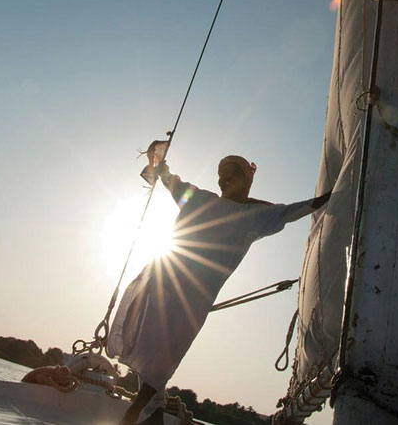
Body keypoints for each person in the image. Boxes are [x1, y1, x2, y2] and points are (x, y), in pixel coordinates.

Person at [107, 155, 331, 425]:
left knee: (166, 353)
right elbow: (172, 183)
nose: (223, 178)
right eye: (221, 174)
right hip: (162, 279)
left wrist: (335, 192)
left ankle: (139, 412)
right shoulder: (202, 199)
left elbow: (297, 209)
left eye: (231, 173)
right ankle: (151, 413)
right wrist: (162, 169)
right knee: (149, 340)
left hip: (193, 299)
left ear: (246, 182)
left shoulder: (255, 215)